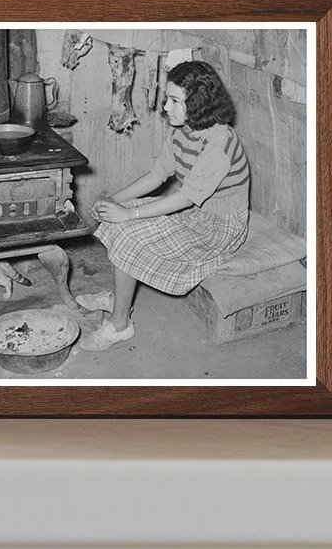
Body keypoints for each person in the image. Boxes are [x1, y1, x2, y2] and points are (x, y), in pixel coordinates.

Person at [80, 60, 251, 351]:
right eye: (167, 99)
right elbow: (158, 174)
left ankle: (119, 325)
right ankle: (118, 299)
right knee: (116, 219)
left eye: (174, 101)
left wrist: (130, 213)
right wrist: (115, 201)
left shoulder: (219, 142)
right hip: (196, 211)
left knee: (129, 231)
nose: (166, 108)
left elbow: (185, 197)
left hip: (219, 226)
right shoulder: (183, 129)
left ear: (197, 103)